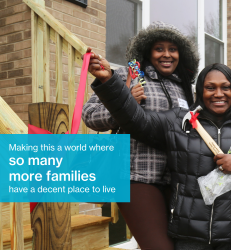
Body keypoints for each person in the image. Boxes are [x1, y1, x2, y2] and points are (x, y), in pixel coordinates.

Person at [86, 59, 231, 249]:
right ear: (200, 92)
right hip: (191, 237)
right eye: (210, 87)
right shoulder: (179, 122)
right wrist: (109, 81)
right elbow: (136, 120)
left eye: (225, 87)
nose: (218, 94)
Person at [82, 21, 199, 250]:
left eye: (172, 49)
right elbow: (90, 116)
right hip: (135, 175)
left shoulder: (186, 88)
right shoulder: (128, 75)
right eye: (159, 48)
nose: (167, 55)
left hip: (177, 181)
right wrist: (126, 103)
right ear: (147, 51)